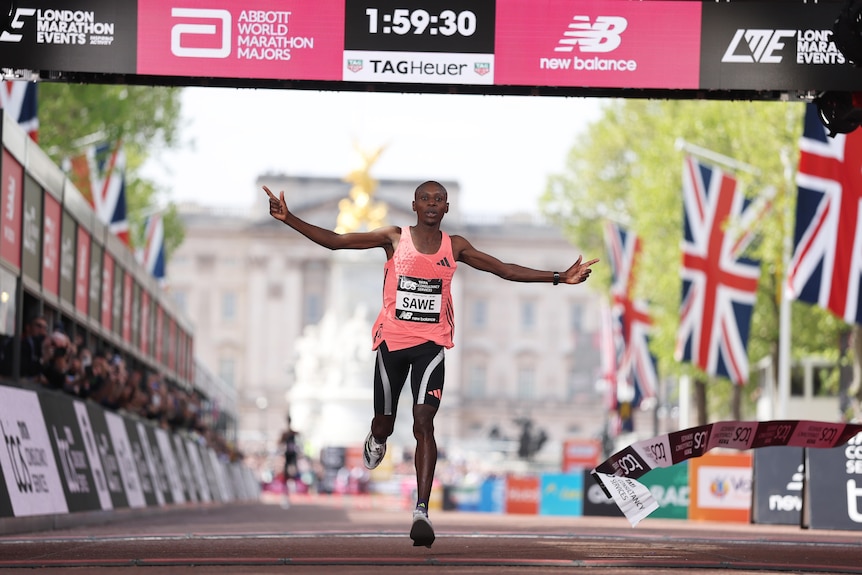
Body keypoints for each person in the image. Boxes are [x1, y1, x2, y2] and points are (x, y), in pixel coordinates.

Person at [264, 181, 598, 547]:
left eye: (439, 200)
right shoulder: (393, 238)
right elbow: (337, 241)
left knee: (424, 423)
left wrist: (558, 277)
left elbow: (503, 269)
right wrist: (289, 219)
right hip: (391, 345)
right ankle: (377, 439)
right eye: (426, 199)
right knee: (385, 423)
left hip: (431, 346)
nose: (432, 205)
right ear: (414, 205)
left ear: (447, 207)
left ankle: (421, 509)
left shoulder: (455, 247)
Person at [279, 416, 301, 509]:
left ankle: (290, 492)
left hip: (292, 457)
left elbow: (299, 437)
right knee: (287, 475)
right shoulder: (286, 433)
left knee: (291, 474)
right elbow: (280, 443)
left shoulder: (292, 433)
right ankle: (286, 495)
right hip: (288, 457)